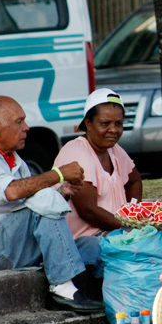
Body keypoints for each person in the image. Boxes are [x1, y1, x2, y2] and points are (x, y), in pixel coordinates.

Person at [0, 96, 104, 313]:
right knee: (45, 200)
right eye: (19, 122)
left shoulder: (14, 159)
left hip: (16, 244)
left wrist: (62, 191)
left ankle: (98, 289)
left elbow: (29, 201)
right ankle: (62, 288)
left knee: (91, 245)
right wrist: (58, 174)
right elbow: (11, 191)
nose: (27, 128)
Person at [54, 88, 142, 237]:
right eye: (105, 123)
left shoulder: (113, 150)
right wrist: (129, 225)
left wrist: (132, 211)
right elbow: (88, 212)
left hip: (115, 233)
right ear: (88, 123)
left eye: (118, 124)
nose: (113, 130)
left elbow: (134, 181)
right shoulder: (77, 152)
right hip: (87, 241)